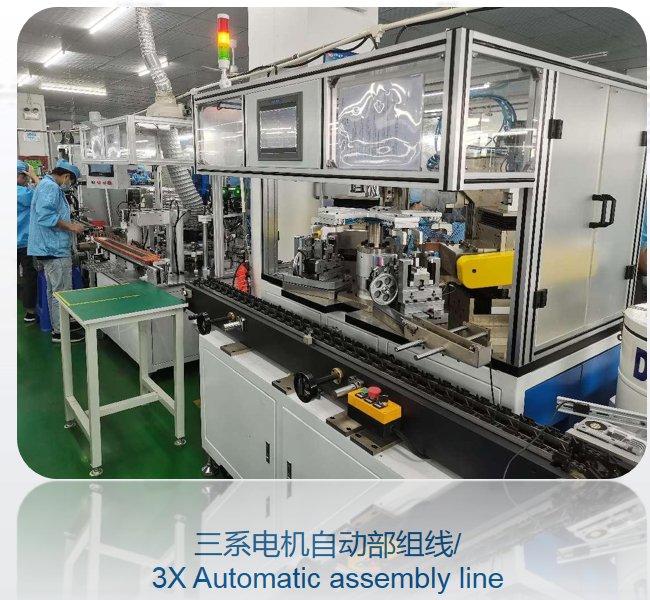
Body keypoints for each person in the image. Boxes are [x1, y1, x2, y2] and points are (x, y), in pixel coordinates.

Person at [27, 159, 85, 343]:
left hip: (49, 246)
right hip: (53, 247)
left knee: (55, 291)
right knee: (62, 291)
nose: (69, 185)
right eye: (71, 181)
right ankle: (61, 332)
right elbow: (46, 216)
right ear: (66, 176)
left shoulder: (47, 185)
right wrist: (70, 226)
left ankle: (60, 325)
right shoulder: (50, 187)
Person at [17, 160, 40, 323]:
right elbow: (45, 194)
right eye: (24, 176)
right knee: (29, 276)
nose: (26, 179)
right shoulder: (23, 193)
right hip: (24, 242)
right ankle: (30, 312)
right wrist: (35, 177)